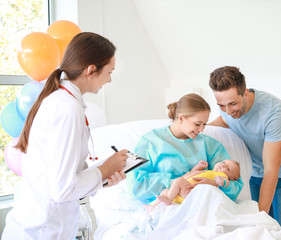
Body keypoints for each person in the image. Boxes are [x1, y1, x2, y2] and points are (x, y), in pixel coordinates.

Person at [2, 32, 129, 240]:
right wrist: (106, 168)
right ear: (91, 70)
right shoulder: (67, 108)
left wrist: (103, 179)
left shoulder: (62, 100)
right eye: (109, 72)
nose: (110, 79)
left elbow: (61, 178)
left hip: (41, 226)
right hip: (41, 230)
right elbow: (63, 189)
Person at [208, 66, 281, 235]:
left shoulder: (274, 111)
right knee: (255, 232)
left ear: (245, 92)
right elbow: (224, 121)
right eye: (222, 105)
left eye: (233, 104)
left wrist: (260, 218)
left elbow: (271, 170)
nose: (229, 111)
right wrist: (197, 129)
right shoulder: (227, 108)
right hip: (255, 172)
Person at [128, 93, 244, 206]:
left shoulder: (210, 145)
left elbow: (235, 184)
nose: (202, 129)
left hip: (199, 204)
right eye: (198, 124)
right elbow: (135, 184)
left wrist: (215, 184)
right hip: (163, 206)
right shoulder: (150, 142)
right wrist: (174, 182)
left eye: (204, 124)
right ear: (181, 118)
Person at [145, 159, 240, 211]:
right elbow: (192, 173)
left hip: (190, 192)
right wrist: (199, 167)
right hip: (181, 192)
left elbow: (225, 182)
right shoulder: (208, 171)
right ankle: (153, 207)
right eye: (223, 163)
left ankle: (168, 200)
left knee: (178, 181)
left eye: (228, 169)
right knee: (165, 191)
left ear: (231, 178)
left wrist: (222, 181)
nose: (223, 165)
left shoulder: (221, 176)